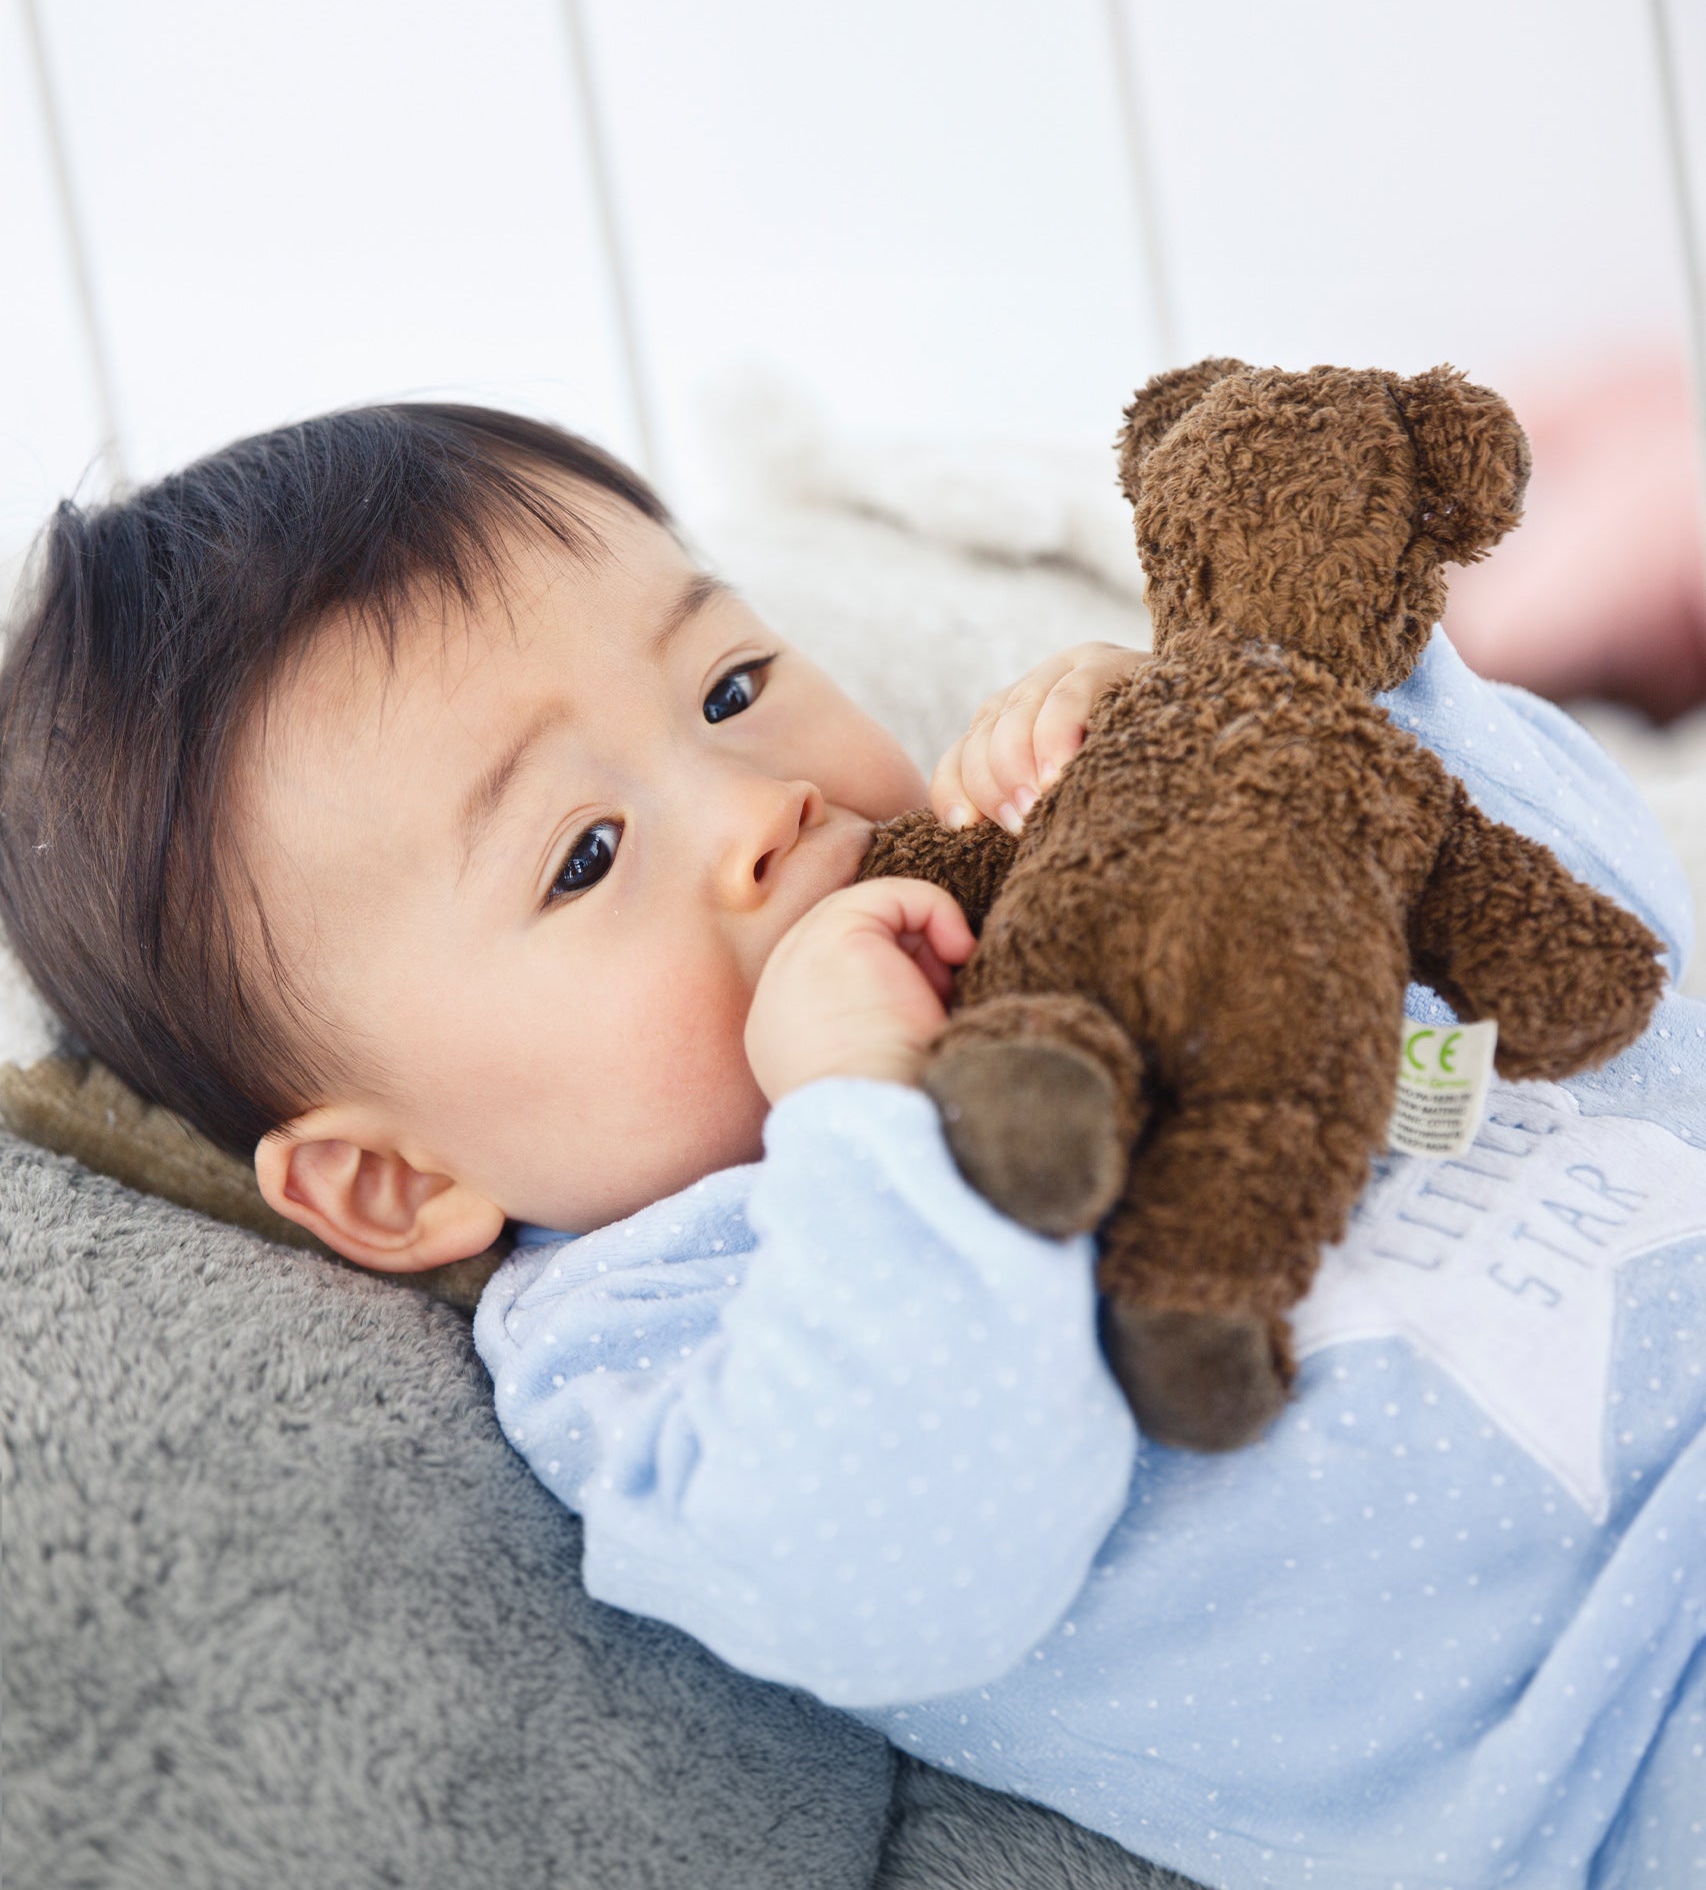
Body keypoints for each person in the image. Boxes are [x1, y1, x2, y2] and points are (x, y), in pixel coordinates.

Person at [0, 403, 1700, 1890]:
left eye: (732, 684)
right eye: (584, 855)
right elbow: (907, 1572)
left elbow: (1615, 974)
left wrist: (1281, 754)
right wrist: (862, 1117)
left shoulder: (1048, 878)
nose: (762, 807)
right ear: (398, 1179)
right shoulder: (651, 1327)